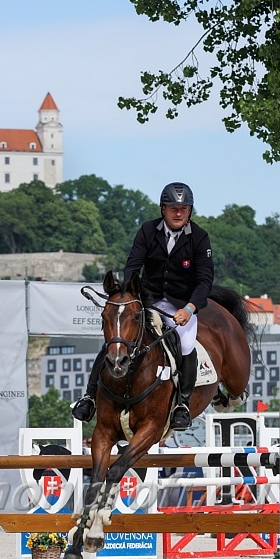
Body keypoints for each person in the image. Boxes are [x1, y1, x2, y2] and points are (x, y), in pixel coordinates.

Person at [72, 181, 214, 430]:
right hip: (146, 299)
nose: (178, 212)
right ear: (163, 209)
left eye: (183, 208)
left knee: (187, 342)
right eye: (173, 208)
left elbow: (204, 280)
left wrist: (189, 309)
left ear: (190, 210)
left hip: (180, 305)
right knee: (117, 338)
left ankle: (181, 403)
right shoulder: (148, 231)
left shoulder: (200, 238)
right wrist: (127, 297)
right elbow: (133, 265)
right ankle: (89, 396)